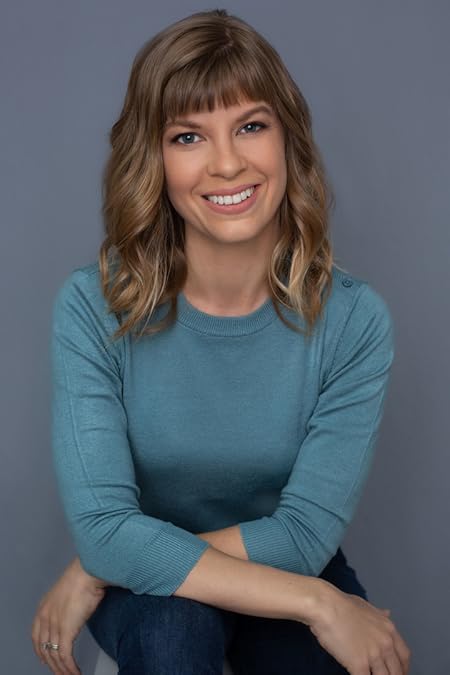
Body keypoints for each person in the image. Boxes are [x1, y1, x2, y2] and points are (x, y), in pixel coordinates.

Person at [31, 8, 411, 675]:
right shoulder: (93, 307)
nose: (228, 163)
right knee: (174, 636)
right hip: (150, 597)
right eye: (188, 136)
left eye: (251, 126)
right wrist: (321, 603)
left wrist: (101, 562)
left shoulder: (354, 321)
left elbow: (302, 536)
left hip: (280, 558)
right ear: (153, 159)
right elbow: (105, 530)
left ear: (288, 139)